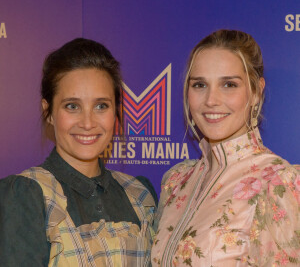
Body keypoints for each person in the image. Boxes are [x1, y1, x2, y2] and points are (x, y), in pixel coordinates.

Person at [0, 38, 157, 266]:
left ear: (116, 110)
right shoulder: (26, 195)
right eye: (72, 106)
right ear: (49, 112)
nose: (87, 122)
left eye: (101, 105)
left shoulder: (140, 194)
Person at [151, 29, 300, 266]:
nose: (211, 100)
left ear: (256, 92)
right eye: (199, 85)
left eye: (229, 84)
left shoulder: (276, 182)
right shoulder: (176, 181)